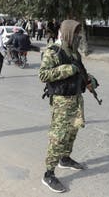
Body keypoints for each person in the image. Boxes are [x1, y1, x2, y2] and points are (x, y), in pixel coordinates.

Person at [39, 20, 98, 193]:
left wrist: (90, 80)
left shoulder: (74, 52)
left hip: (76, 99)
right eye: (75, 33)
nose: (78, 36)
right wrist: (67, 69)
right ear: (67, 34)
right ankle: (48, 173)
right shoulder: (53, 51)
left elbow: (80, 70)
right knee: (58, 137)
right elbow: (43, 75)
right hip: (62, 101)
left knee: (73, 131)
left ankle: (64, 159)